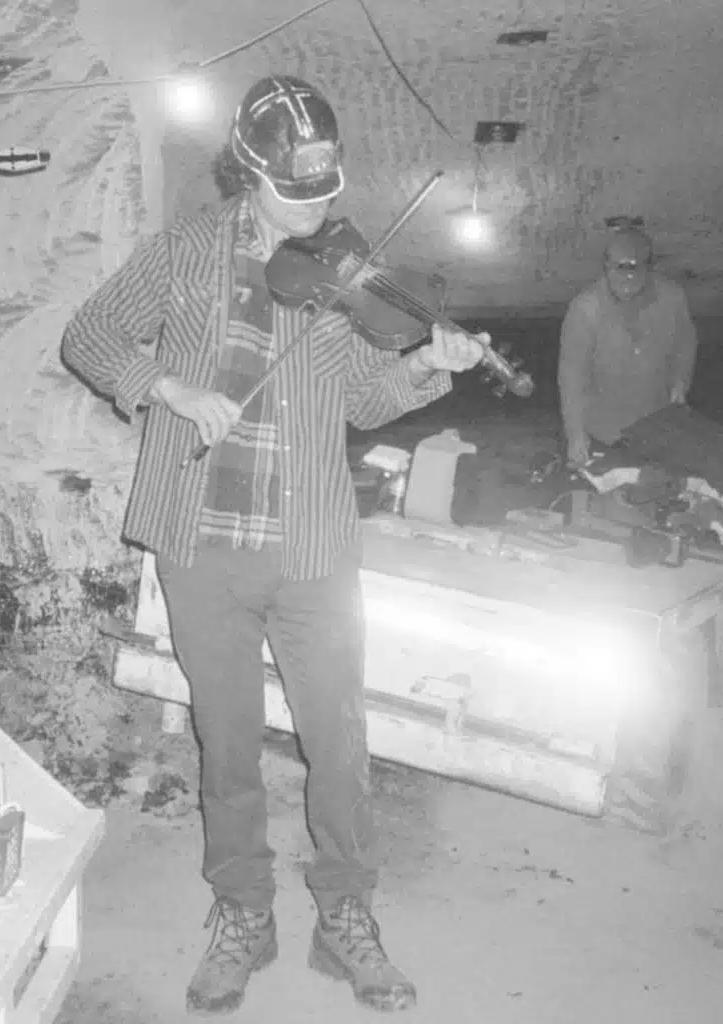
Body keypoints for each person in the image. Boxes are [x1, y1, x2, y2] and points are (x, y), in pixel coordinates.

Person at [61, 74, 487, 1016]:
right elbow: (89, 337)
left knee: (339, 742)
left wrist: (427, 364)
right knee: (227, 744)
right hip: (203, 543)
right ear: (246, 174)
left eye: (326, 190)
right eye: (296, 193)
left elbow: (366, 401)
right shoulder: (182, 253)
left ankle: (346, 914)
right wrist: (168, 388)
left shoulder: (341, 272)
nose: (317, 211)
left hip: (312, 546)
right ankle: (243, 911)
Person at [557, 227, 699, 468]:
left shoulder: (672, 297)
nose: (626, 282)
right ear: (606, 266)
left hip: (656, 422)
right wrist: (575, 435)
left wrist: (680, 382)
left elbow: (685, 344)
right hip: (604, 431)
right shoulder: (584, 309)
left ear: (649, 268)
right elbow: (572, 377)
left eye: (634, 272)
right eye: (619, 272)